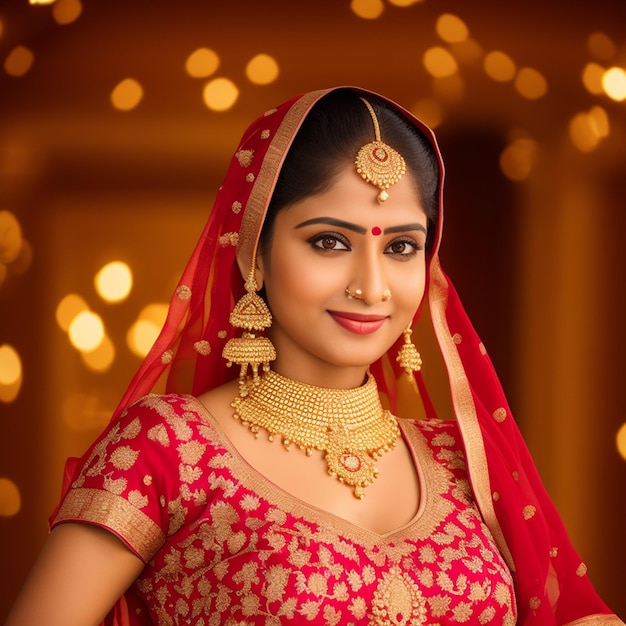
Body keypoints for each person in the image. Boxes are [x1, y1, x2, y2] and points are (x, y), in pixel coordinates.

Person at [6, 87, 623, 626]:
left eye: (403, 248)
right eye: (330, 242)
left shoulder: (465, 462)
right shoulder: (168, 450)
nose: (372, 286)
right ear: (254, 254)